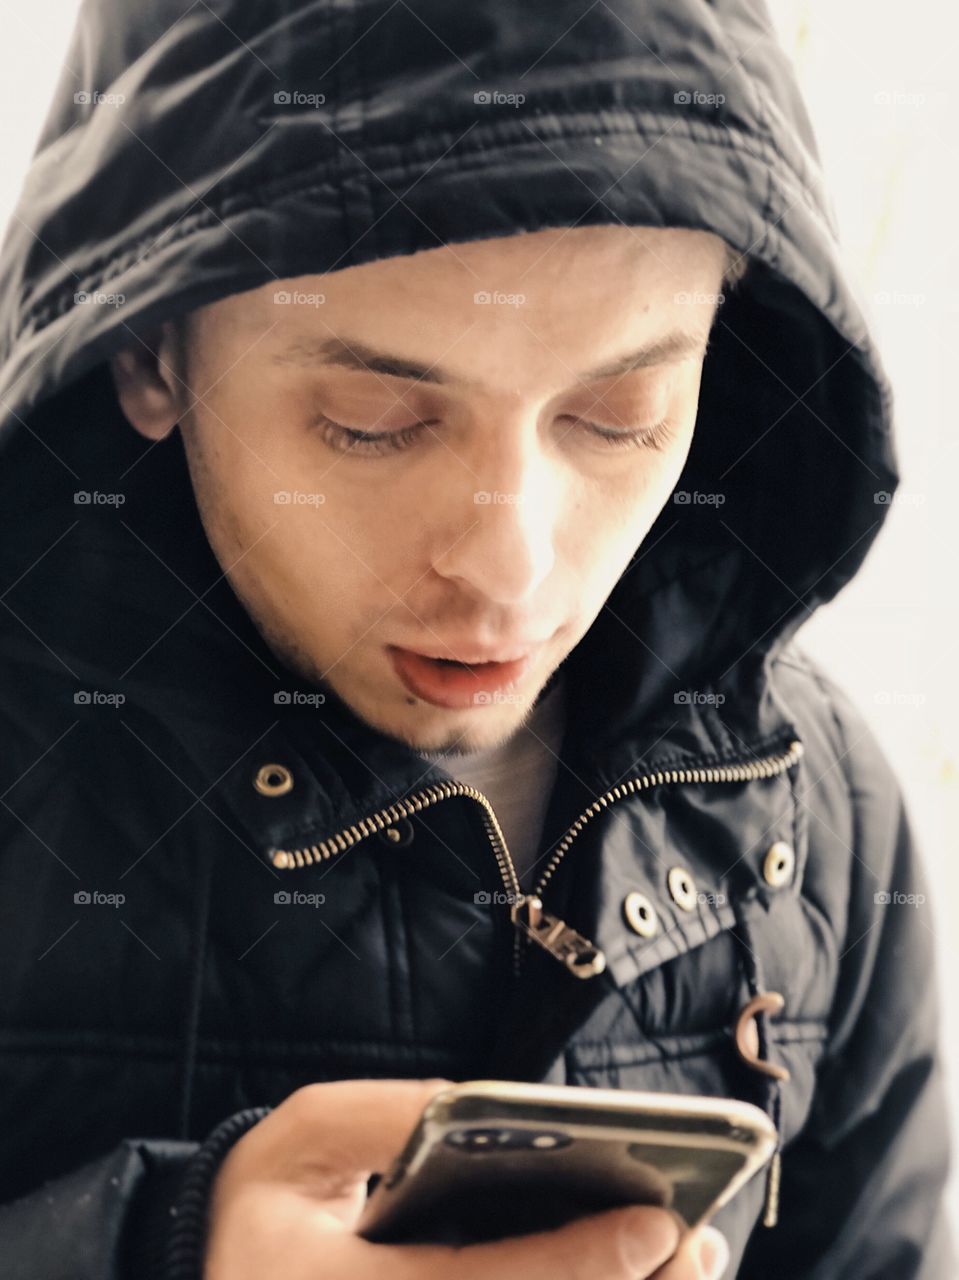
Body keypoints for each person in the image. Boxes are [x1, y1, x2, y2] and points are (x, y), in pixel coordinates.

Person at [0, 1, 951, 1277]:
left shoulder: (813, 803)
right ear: (147, 353)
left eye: (620, 414)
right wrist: (160, 1247)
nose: (509, 562)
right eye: (373, 420)